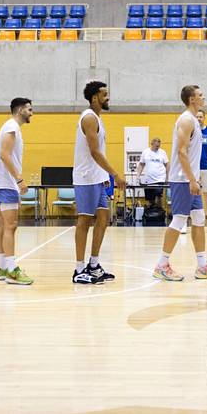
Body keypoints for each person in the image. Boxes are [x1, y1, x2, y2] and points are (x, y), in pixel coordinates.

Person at [153, 85, 207, 281]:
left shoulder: (194, 120)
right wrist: (192, 179)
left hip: (191, 179)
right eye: (200, 95)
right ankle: (161, 264)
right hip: (182, 180)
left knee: (200, 219)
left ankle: (202, 265)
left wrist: (196, 177)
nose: (204, 97)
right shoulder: (186, 120)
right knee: (178, 219)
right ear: (192, 99)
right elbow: (181, 152)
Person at [72, 81, 126, 284]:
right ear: (94, 97)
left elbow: (99, 152)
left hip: (98, 177)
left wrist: (104, 178)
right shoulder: (88, 118)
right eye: (105, 94)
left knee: (104, 217)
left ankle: (93, 265)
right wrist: (114, 174)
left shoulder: (98, 118)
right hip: (86, 178)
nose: (108, 97)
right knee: (84, 221)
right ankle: (78, 270)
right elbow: (94, 152)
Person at [0, 97, 34, 285]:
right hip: (7, 182)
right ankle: (11, 270)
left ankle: (3, 267)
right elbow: (4, 155)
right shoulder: (12, 127)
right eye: (29, 109)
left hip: (4, 183)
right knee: (11, 226)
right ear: (20, 111)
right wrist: (19, 180)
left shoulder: (11, 127)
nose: (32, 113)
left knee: (3, 226)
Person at [136, 137, 168, 209]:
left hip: (160, 179)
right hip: (148, 180)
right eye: (156, 146)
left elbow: (167, 165)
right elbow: (141, 164)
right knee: (150, 200)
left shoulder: (162, 152)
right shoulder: (146, 152)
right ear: (152, 144)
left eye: (159, 146)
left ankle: (160, 214)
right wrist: (138, 175)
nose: (157, 147)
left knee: (158, 197)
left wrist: (167, 177)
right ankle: (151, 216)